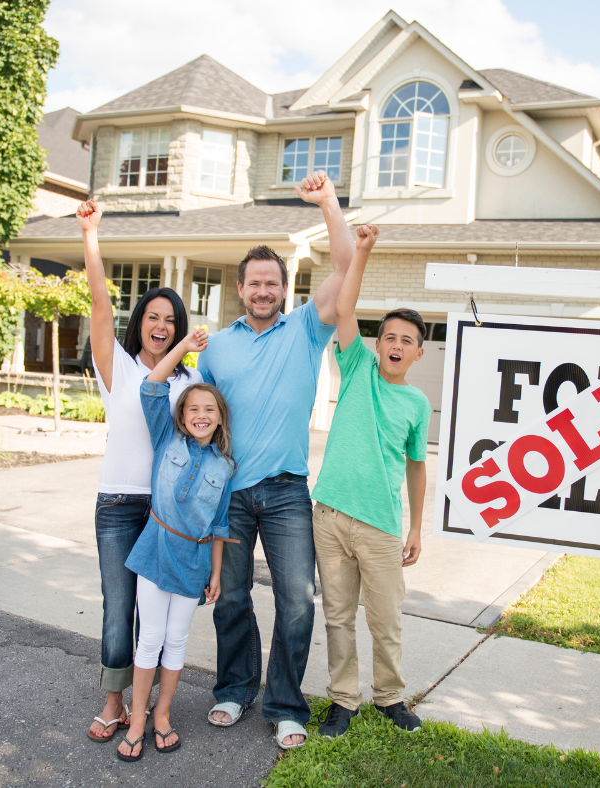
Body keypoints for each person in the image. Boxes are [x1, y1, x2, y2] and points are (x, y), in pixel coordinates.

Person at [197, 170, 354, 749]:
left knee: (296, 601)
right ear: (241, 289)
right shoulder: (216, 345)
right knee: (231, 599)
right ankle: (235, 690)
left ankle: (285, 703)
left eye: (272, 283)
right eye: (254, 283)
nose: (263, 291)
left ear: (284, 289)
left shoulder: (307, 331)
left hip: (288, 491)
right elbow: (199, 419)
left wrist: (330, 203)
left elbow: (341, 268)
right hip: (230, 493)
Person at [78, 199, 204, 743]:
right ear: (141, 325)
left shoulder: (184, 383)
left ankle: (146, 703)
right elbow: (100, 307)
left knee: (153, 619)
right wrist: (91, 237)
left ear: (179, 330)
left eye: (170, 320)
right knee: (118, 607)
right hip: (116, 505)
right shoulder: (119, 369)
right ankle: (113, 702)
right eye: (153, 318)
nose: (160, 326)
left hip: (163, 516)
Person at [311, 224, 430, 738]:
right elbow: (343, 309)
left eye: (408, 340)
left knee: (386, 621)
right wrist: (362, 250)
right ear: (376, 344)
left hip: (382, 525)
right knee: (338, 617)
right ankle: (343, 699)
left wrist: (417, 528)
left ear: (419, 353)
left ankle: (390, 698)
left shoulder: (417, 404)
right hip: (331, 515)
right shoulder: (356, 365)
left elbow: (417, 465)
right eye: (390, 337)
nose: (397, 345)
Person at [116, 335, 237, 762]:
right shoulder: (166, 436)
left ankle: (163, 716)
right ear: (182, 416)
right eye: (193, 409)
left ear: (220, 418)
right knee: (149, 638)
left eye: (209, 410)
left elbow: (220, 524)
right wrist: (185, 345)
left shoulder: (225, 466)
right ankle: (136, 722)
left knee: (177, 638)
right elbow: (152, 386)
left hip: (194, 561)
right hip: (155, 548)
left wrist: (216, 574)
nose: (201, 415)